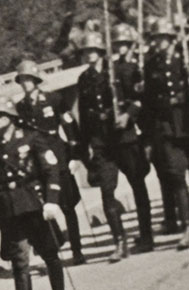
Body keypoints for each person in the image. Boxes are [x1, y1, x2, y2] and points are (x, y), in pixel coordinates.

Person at [0, 96, 68, 290]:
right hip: (9, 209)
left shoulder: (31, 138)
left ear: (11, 118)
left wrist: (52, 201)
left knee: (49, 254)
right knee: (20, 261)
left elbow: (50, 171)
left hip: (34, 205)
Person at [76, 30, 153, 261]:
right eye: (86, 51)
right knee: (107, 192)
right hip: (102, 142)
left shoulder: (118, 71)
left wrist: (128, 116)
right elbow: (83, 113)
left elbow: (138, 99)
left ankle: (146, 234)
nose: (89, 55)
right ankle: (119, 241)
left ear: (100, 51)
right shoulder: (83, 79)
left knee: (137, 185)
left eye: (92, 50)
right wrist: (84, 148)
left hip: (124, 137)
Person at [15, 59, 87, 264]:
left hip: (59, 156)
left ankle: (77, 249)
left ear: (36, 80)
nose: (25, 83)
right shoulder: (20, 107)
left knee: (68, 206)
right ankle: (54, 245)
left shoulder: (54, 99)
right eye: (22, 80)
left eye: (28, 79)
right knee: (44, 207)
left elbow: (70, 126)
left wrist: (74, 155)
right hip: (38, 163)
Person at [143, 19, 189, 248]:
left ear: (171, 38)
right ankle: (187, 225)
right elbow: (149, 101)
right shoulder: (152, 65)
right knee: (176, 175)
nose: (159, 42)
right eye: (156, 38)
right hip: (168, 126)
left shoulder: (185, 56)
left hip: (187, 118)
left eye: (162, 37)